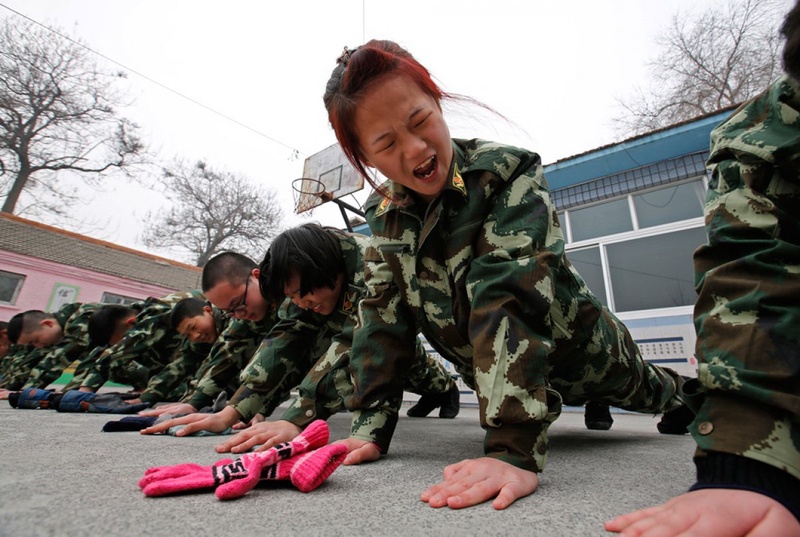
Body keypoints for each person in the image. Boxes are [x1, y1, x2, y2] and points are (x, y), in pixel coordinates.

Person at [322, 39, 694, 510]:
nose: (416, 148)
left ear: (438, 103)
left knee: (648, 391)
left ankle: (692, 397)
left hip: (584, 352)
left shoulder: (505, 174)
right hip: (498, 376)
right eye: (386, 144)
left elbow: (507, 290)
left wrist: (511, 448)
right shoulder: (384, 217)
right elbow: (381, 320)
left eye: (420, 121)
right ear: (366, 159)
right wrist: (368, 429)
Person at [605, 4, 800, 535]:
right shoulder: (763, 138)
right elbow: (755, 277)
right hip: (593, 361)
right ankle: (680, 393)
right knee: (631, 385)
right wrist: (749, 464)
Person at [142, 223, 459, 449]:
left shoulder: (372, 266)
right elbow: (284, 342)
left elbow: (360, 343)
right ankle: (439, 388)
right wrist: (231, 411)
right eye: (291, 298)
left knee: (401, 357)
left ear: (321, 269)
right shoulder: (302, 284)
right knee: (384, 355)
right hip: (375, 338)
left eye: (299, 296)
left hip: (424, 329)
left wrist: (297, 417)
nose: (300, 305)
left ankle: (445, 389)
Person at [138, 252, 287, 420]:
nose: (238, 314)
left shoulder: (293, 291)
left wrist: (259, 409)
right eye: (228, 311)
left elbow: (284, 354)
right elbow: (225, 357)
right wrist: (193, 403)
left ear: (257, 276)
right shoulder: (241, 317)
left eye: (237, 303)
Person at [78, 291, 211, 406]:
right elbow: (182, 363)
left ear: (130, 324)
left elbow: (118, 354)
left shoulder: (162, 311)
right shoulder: (143, 324)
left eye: (124, 340)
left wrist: (86, 390)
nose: (124, 345)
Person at [7, 303, 102, 390]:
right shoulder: (58, 331)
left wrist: (27, 390)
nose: (38, 346)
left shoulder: (86, 314)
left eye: (36, 341)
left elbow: (61, 355)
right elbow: (33, 359)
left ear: (48, 324)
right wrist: (10, 388)